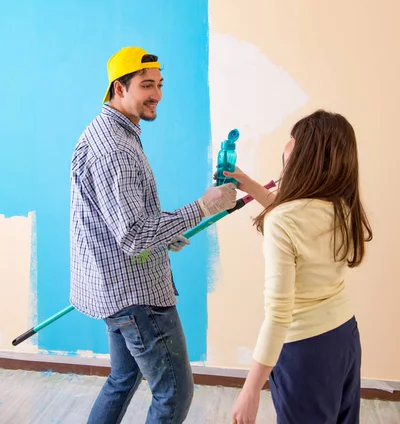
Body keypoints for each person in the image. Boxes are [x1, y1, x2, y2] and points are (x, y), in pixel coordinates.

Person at [69, 46, 237, 424]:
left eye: (159, 84)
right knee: (175, 392)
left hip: (114, 288)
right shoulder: (116, 148)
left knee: (123, 376)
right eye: (147, 85)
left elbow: (120, 216)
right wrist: (202, 207)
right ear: (119, 88)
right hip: (137, 296)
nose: (157, 95)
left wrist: (163, 233)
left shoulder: (109, 131)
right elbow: (132, 236)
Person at [229, 110, 373, 424]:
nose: (285, 146)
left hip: (305, 351)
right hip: (344, 336)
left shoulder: (285, 219)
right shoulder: (341, 204)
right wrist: (250, 184)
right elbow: (298, 221)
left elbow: (279, 314)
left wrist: (250, 390)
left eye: (292, 140)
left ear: (306, 154)